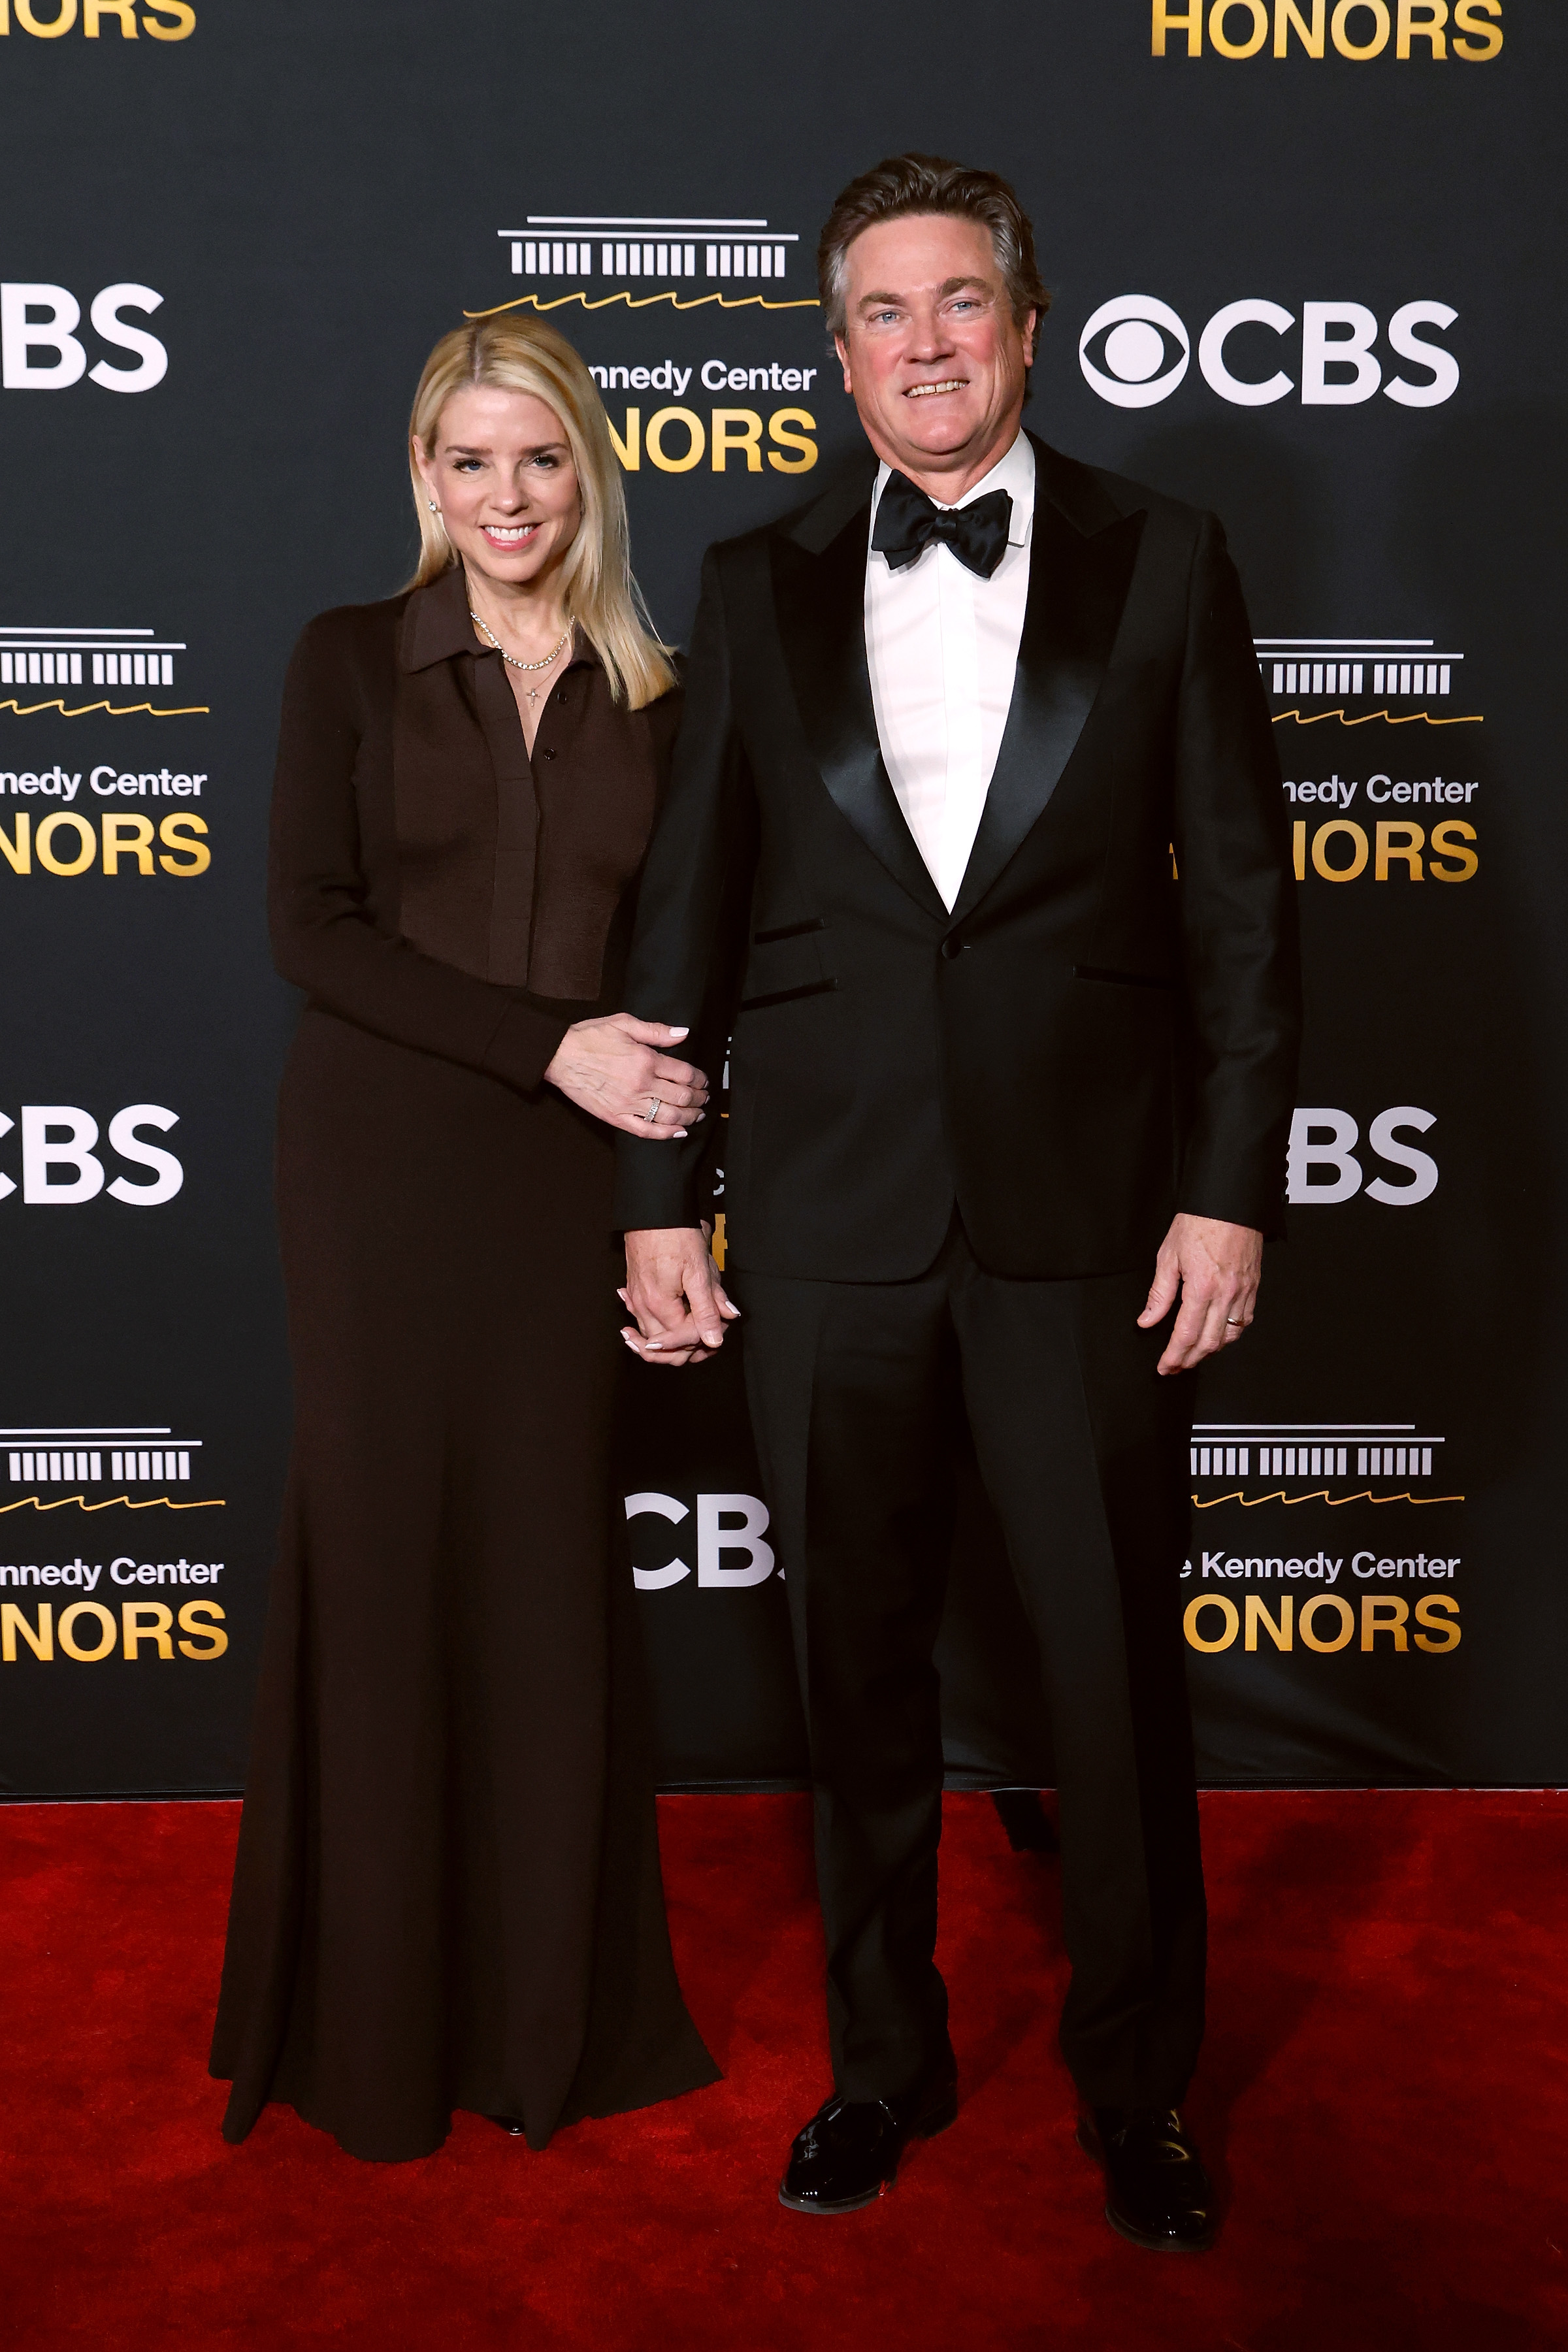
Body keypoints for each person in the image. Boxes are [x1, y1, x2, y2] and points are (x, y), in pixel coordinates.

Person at [613, 155, 1299, 2249]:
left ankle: (1137, 2090)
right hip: (821, 1224)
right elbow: (686, 915)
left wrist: (1227, 1192)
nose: (925, 346)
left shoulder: (1163, 559)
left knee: (1112, 1685)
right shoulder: (750, 581)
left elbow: (1247, 920)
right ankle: (881, 2066)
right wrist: (665, 1193)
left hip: (1089, 1221)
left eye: (962, 304)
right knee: (860, 1688)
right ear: (835, 356)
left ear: (1029, 320)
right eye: (883, 314)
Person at [210, 314, 718, 2163]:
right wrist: (550, 1048)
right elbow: (309, 928)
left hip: (572, 1187)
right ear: (423, 475)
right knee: (387, 1564)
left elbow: (687, 976)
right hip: (374, 1174)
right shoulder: (347, 659)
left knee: (542, 1578)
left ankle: (544, 2019)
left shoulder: (666, 692)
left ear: (590, 471)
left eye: (541, 458)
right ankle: (367, 2026)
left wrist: (670, 1197)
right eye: (469, 459)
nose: (506, 495)